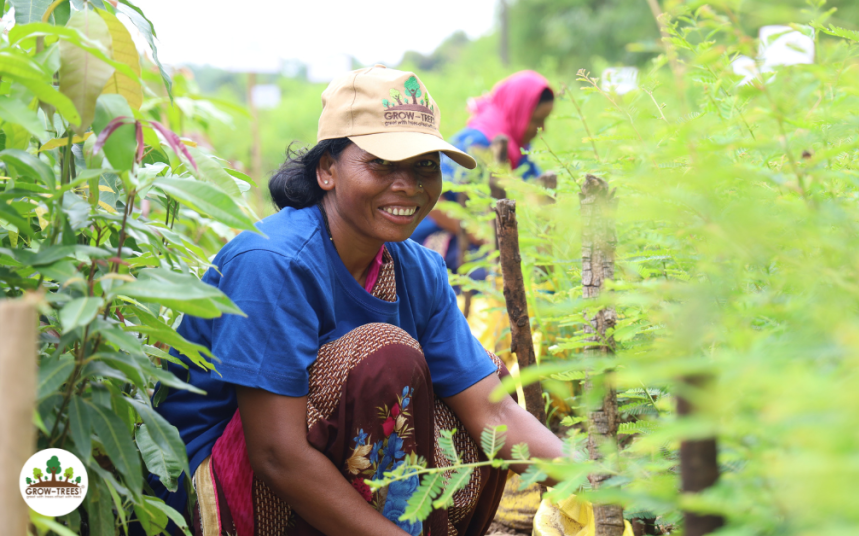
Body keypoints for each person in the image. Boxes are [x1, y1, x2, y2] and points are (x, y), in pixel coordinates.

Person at [148, 66, 563, 536]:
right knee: (385, 357)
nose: (408, 184)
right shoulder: (274, 264)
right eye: (382, 163)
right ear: (327, 169)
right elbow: (275, 455)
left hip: (306, 472)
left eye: (425, 164)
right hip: (213, 494)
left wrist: (602, 485)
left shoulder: (418, 270)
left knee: (474, 393)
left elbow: (494, 413)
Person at [410, 70, 554, 272]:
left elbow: (535, 188)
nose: (542, 129)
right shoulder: (475, 144)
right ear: (517, 112)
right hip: (442, 233)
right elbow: (431, 200)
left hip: (488, 240)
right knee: (487, 277)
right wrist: (482, 236)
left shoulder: (517, 149)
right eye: (537, 120)